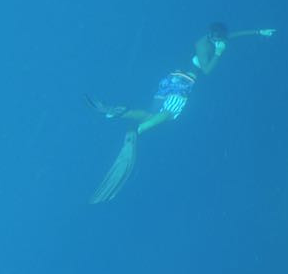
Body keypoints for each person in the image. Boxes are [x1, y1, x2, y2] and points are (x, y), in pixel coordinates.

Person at [86, 23, 276, 204]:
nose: (218, 40)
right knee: (170, 112)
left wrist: (259, 32)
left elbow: (232, 36)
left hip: (170, 80)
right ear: (211, 35)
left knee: (153, 113)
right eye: (216, 38)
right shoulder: (203, 46)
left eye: (219, 38)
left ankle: (119, 112)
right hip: (183, 84)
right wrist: (218, 53)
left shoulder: (214, 38)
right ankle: (137, 131)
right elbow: (208, 70)